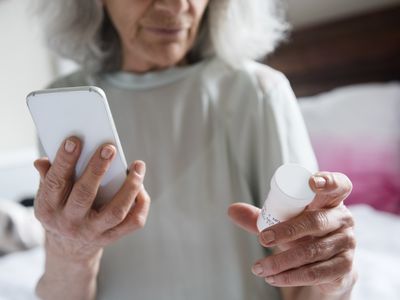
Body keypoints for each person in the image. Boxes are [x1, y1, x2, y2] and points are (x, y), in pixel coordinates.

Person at [33, 0, 357, 299]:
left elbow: (302, 279)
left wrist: (333, 277)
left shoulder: (257, 92)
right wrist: (69, 251)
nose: (176, 5)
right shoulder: (64, 100)